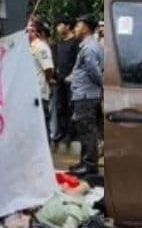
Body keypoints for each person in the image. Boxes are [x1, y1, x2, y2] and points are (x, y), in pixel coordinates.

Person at [68, 15, 102, 175]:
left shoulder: (88, 48)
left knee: (87, 131)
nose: (75, 29)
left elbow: (94, 71)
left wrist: (103, 86)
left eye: (77, 26)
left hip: (86, 95)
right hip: (84, 94)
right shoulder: (87, 46)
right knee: (84, 130)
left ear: (86, 28)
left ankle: (89, 165)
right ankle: (84, 162)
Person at [51, 18, 79, 146]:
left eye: (59, 24)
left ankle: (70, 133)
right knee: (60, 106)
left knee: (70, 106)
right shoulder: (59, 43)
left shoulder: (75, 43)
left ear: (67, 26)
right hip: (59, 79)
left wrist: (72, 76)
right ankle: (61, 132)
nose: (57, 27)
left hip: (71, 81)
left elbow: (78, 63)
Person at [27, 19, 55, 137]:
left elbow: (48, 68)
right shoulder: (28, 47)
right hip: (29, 93)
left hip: (39, 92)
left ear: (34, 31)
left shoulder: (40, 47)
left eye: (27, 29)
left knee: (42, 125)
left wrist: (46, 81)